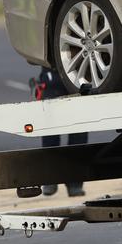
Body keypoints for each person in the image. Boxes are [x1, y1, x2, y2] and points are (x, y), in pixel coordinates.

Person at [31, 67, 87, 197]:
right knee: (50, 133)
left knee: (78, 134)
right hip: (52, 76)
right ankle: (50, 179)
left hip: (79, 75)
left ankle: (75, 183)